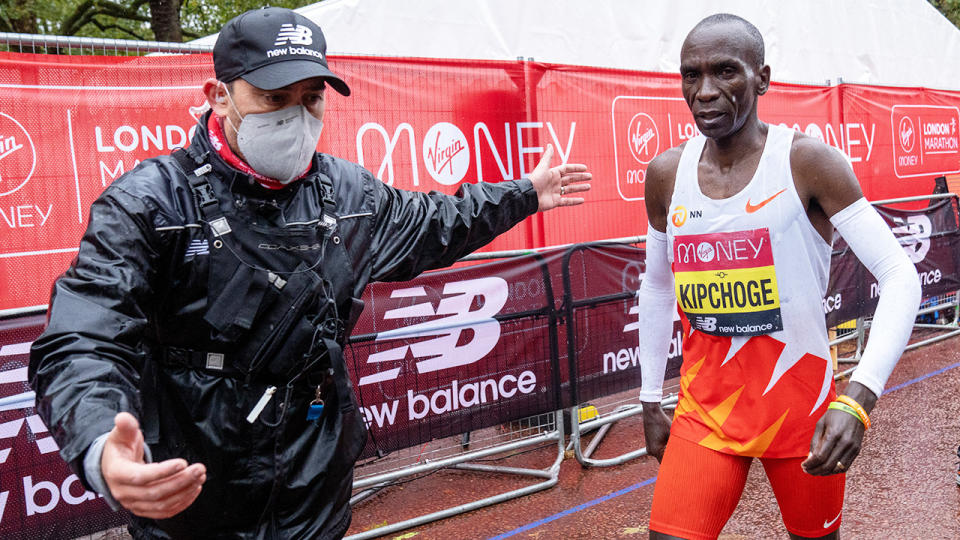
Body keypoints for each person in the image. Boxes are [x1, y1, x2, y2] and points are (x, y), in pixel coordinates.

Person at [28, 8, 591, 539]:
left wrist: (526, 194)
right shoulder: (150, 203)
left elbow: (436, 221)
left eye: (312, 98)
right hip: (191, 485)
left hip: (314, 482)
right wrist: (101, 443)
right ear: (218, 96)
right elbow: (83, 336)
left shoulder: (348, 192)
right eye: (274, 97)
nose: (295, 116)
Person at [635, 13, 920, 540]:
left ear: (762, 79)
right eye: (690, 75)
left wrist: (859, 398)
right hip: (707, 413)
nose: (705, 92)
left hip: (802, 412)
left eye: (725, 72)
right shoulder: (666, 174)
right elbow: (656, 284)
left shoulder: (808, 163)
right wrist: (650, 398)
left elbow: (901, 275)